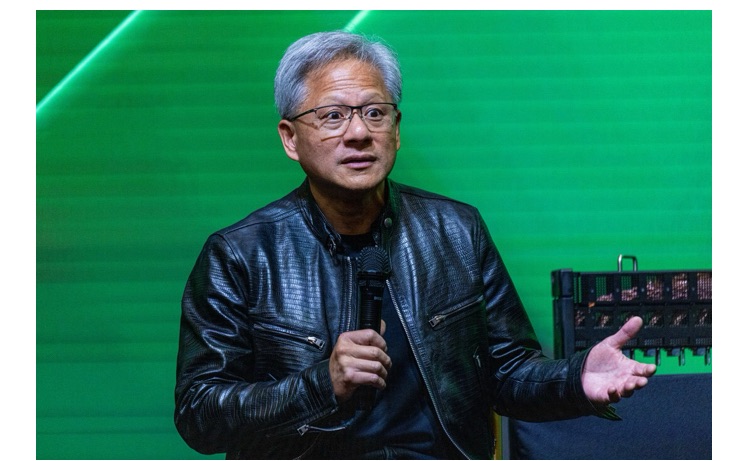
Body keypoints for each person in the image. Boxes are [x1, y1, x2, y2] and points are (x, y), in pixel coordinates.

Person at [174, 30, 657, 459]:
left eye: (374, 113)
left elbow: (506, 372)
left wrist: (576, 378)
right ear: (290, 138)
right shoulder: (239, 255)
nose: (358, 133)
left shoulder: (457, 230)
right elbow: (199, 414)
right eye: (333, 116)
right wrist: (322, 384)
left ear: (397, 129)